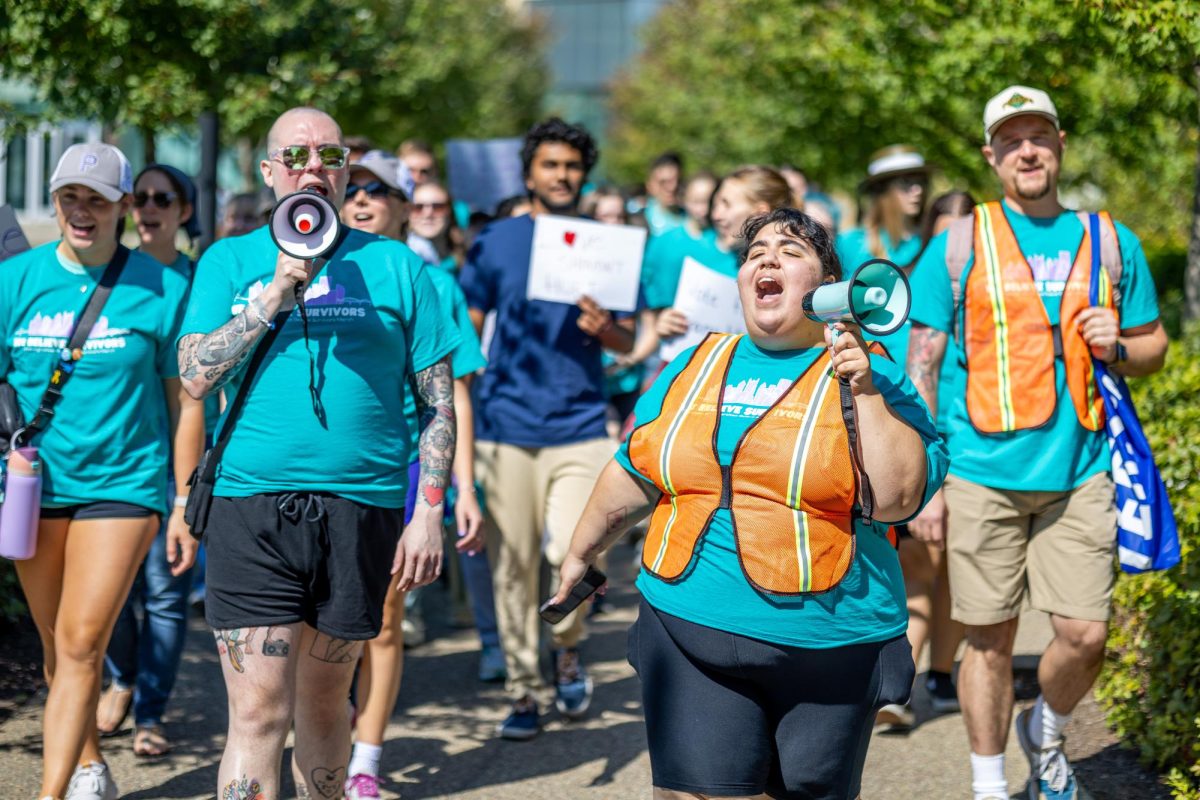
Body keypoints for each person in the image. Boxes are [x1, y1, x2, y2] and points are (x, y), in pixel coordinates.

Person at [553, 207, 949, 800]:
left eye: (792, 252)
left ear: (830, 287)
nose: (768, 259)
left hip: (832, 645)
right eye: (756, 251)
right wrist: (581, 551)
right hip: (691, 626)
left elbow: (896, 500)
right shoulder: (694, 362)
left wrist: (864, 388)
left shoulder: (876, 376)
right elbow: (638, 467)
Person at [177, 107, 458, 800]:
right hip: (252, 505)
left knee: (325, 708)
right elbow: (192, 376)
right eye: (297, 156)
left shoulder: (396, 268)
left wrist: (428, 514)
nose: (314, 168)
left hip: (358, 510)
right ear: (270, 172)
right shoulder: (230, 260)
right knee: (256, 712)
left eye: (330, 156)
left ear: (345, 172)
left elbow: (438, 406)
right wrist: (276, 289)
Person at [906, 86, 1168, 800]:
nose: (1027, 150)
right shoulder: (956, 245)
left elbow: (1154, 346)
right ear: (991, 156)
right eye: (1011, 140)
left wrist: (1122, 346)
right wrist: (927, 481)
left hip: (1082, 468)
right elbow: (920, 364)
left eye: (1039, 137)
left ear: (1059, 144)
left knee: (1086, 634)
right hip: (979, 471)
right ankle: (991, 785)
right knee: (986, 638)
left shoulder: (1109, 240)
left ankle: (1045, 732)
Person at [1, 142, 197, 800]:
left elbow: (183, 401)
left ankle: (49, 794)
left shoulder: (164, 286)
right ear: (55, 203)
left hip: (124, 485)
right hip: (33, 487)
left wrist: (183, 499)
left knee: (84, 641)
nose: (81, 211)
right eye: (69, 198)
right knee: (57, 644)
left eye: (97, 199)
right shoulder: (15, 280)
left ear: (121, 206)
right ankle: (89, 763)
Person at [459, 117, 636, 740]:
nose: (562, 176)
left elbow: (628, 338)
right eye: (551, 165)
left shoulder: (606, 244)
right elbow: (466, 335)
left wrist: (605, 330)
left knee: (573, 553)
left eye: (572, 166)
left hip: (581, 422)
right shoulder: (495, 242)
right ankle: (524, 691)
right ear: (529, 172)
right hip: (505, 429)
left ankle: (567, 646)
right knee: (511, 567)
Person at [337, 150, 488, 799]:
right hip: (328, 474)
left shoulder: (433, 282)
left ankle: (366, 759)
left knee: (385, 620)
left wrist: (465, 485)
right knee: (320, 624)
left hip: (402, 467)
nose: (363, 199)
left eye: (380, 190)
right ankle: (332, 727)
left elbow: (455, 395)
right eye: (354, 189)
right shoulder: (311, 272)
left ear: (404, 207)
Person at [96, 164, 207, 759]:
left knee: (165, 592)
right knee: (112, 589)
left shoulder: (202, 277)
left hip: (182, 457)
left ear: (184, 210)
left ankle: (151, 712)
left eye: (162, 198)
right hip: (119, 454)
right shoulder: (113, 276)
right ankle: (122, 677)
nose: (148, 207)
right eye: (138, 198)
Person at [874, 190, 975, 732]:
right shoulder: (901, 293)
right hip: (920, 437)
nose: (952, 247)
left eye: (963, 233)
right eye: (944, 233)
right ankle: (904, 685)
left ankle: (939, 671)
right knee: (919, 559)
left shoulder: (993, 290)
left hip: (978, 445)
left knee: (955, 564)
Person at [651, 166, 792, 354]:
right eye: (715, 205)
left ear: (760, 213)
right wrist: (666, 323)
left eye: (726, 205)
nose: (716, 215)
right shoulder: (704, 257)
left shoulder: (793, 270)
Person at [407, 180, 467, 272]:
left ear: (449, 211)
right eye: (418, 207)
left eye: (438, 207)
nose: (428, 214)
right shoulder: (400, 257)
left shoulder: (468, 259)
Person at [643, 151, 686, 237]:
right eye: (663, 182)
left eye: (678, 181)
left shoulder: (693, 219)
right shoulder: (639, 222)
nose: (672, 187)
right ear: (650, 186)